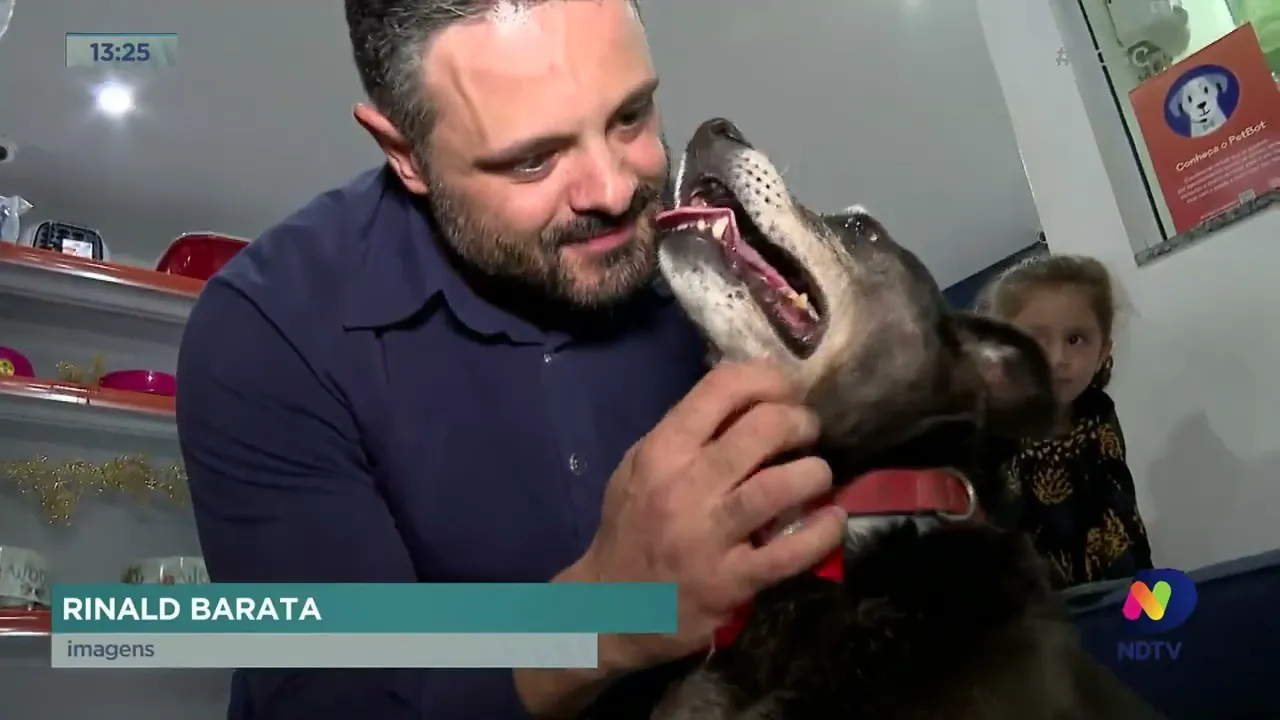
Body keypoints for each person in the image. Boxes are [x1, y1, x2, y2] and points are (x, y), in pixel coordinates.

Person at [174, 1, 846, 718]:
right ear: (405, 155)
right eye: (533, 160)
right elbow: (343, 697)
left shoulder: (720, 259)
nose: (615, 191)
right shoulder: (271, 329)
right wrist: (605, 616)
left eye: (631, 115)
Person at [976, 254, 1154, 587]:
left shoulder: (1099, 422)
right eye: (1037, 340)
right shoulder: (987, 438)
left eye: (1076, 340)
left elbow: (1124, 525)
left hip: (1115, 604)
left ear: (1102, 353)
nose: (1058, 359)